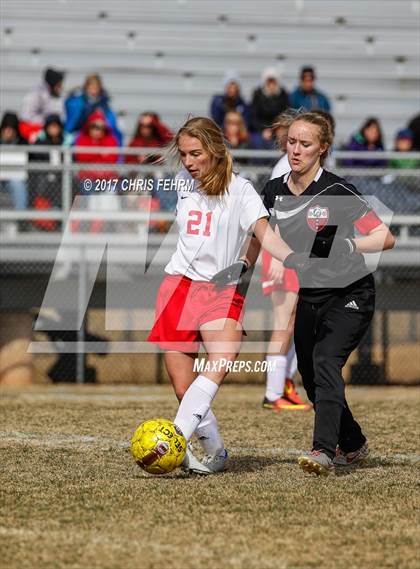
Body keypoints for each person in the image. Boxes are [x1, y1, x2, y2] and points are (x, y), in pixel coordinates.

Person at [147, 116, 297, 475]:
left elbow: (264, 233)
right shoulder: (184, 181)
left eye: (196, 154)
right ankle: (214, 449)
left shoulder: (241, 190)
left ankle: (173, 438)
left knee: (222, 360)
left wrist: (291, 259)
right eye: (183, 154)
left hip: (218, 288)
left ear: (215, 150)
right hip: (177, 286)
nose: (189, 162)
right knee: (184, 390)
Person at [256, 111, 395, 475]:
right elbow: (257, 231)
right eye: (291, 142)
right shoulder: (273, 191)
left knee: (325, 362)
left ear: (323, 149)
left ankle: (323, 450)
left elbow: (386, 237)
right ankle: (353, 443)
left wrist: (351, 243)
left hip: (351, 294)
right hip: (311, 296)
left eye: (305, 144)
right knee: (312, 376)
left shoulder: (337, 190)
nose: (296, 150)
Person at [260, 111, 309, 411]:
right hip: (282, 252)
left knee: (295, 322)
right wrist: (277, 258)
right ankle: (273, 392)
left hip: (295, 252)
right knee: (284, 322)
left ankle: (284, 385)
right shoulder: (285, 166)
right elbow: (274, 210)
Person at [74, 110, 119, 232]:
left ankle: (105, 227)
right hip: (88, 179)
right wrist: (100, 152)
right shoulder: (82, 138)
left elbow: (112, 158)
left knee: (110, 198)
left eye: (100, 127)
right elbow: (81, 157)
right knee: (88, 199)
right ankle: (86, 226)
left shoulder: (111, 139)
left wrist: (93, 153)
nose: (97, 130)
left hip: (107, 179)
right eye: (94, 127)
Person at [29, 114, 71, 231]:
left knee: (71, 182)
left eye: (56, 126)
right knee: (41, 182)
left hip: (61, 177)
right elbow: (37, 160)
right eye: (51, 126)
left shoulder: (66, 142)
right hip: (44, 177)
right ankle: (47, 220)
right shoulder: (39, 143)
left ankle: (61, 215)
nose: (53, 129)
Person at [65, 74, 122, 145]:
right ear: (86, 87)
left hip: (99, 133)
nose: (93, 90)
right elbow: (72, 122)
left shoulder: (104, 104)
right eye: (91, 87)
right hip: (80, 133)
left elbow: (111, 123)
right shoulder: (78, 102)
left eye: (96, 87)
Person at [21, 68, 65, 142]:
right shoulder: (34, 96)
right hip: (33, 127)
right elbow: (26, 116)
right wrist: (47, 122)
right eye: (59, 85)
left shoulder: (54, 95)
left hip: (48, 127)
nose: (61, 87)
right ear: (52, 84)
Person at [249, 67, 289, 144]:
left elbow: (285, 115)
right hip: (260, 131)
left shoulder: (283, 95)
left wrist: (275, 130)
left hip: (278, 129)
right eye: (269, 81)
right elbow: (253, 117)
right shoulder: (258, 95)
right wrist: (263, 130)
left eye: (273, 81)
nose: (271, 85)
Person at [0, 112, 28, 218]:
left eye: (11, 128)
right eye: (6, 128)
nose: (8, 131)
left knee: (18, 185)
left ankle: (20, 219)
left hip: (14, 178)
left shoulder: (23, 142)